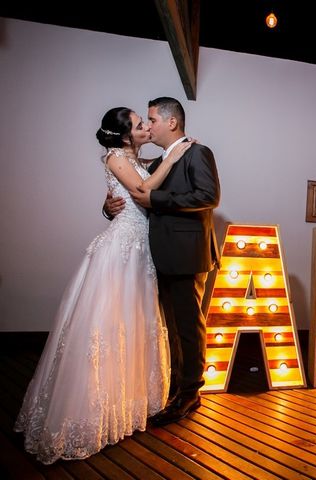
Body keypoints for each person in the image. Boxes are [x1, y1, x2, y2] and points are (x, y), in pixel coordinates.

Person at [14, 107, 193, 464]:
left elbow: (131, 192)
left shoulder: (134, 157)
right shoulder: (115, 157)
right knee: (108, 326)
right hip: (121, 252)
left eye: (148, 122)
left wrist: (113, 202)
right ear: (127, 135)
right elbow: (142, 190)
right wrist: (173, 158)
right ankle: (90, 414)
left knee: (133, 325)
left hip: (141, 251)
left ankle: (127, 406)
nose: (146, 127)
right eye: (140, 124)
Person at [105, 97, 220, 426]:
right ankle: (173, 385)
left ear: (171, 123)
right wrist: (109, 206)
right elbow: (134, 190)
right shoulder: (158, 161)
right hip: (161, 256)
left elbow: (208, 196)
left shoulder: (197, 152)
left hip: (187, 254)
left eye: (152, 119)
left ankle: (190, 393)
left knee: (187, 327)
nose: (147, 126)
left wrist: (157, 198)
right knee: (168, 327)